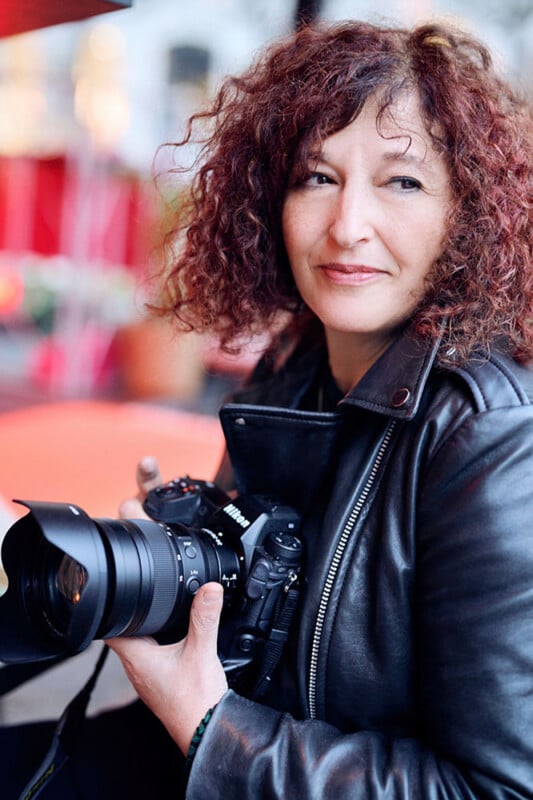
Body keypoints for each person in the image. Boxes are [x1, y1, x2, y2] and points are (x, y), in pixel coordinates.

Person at [105, 17, 533, 799]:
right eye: (316, 177)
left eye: (401, 181)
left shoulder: (492, 432)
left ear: (463, 217)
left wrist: (214, 733)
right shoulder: (290, 364)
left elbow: (497, 788)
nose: (347, 226)